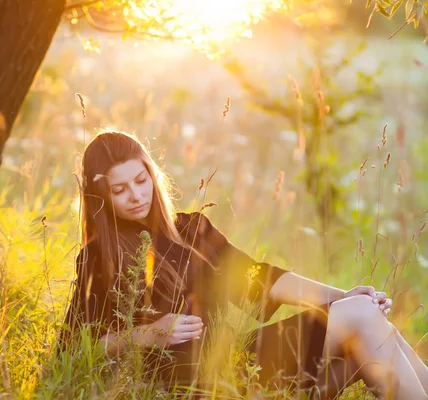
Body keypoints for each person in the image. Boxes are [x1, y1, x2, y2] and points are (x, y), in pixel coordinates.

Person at [59, 130, 428, 399]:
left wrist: (343, 295)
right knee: (364, 321)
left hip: (240, 358)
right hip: (195, 383)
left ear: (151, 176)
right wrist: (149, 333)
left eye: (141, 181)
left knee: (362, 310)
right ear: (101, 195)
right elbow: (75, 348)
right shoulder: (99, 256)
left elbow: (256, 278)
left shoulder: (191, 228)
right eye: (119, 189)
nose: (136, 195)